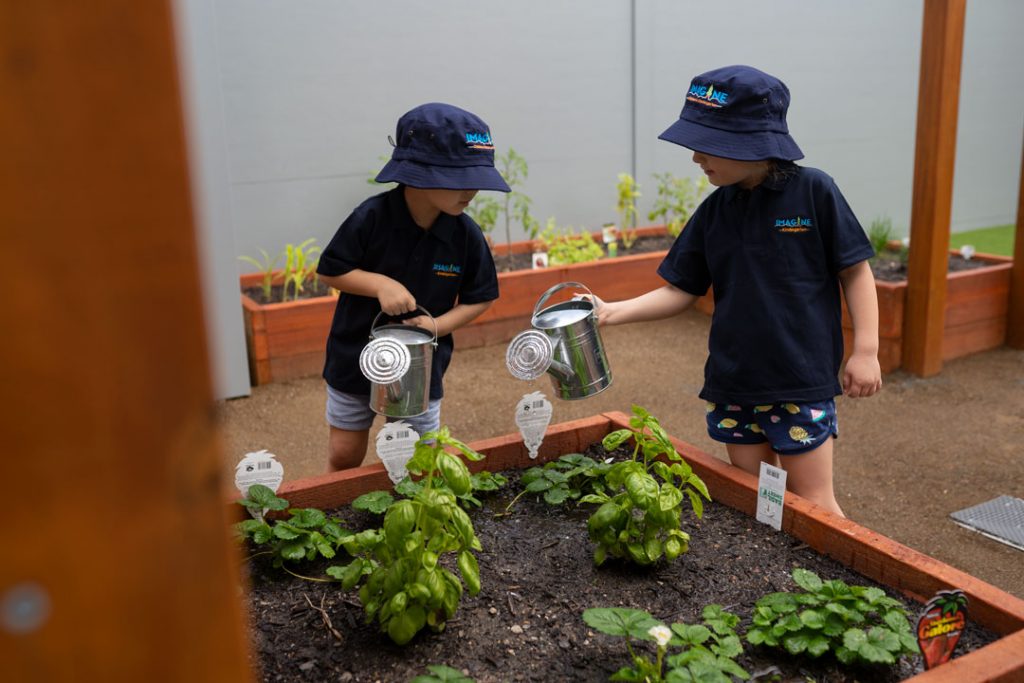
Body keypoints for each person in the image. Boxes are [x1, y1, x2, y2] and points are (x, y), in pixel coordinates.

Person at [594, 65, 881, 517]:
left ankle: (846, 588)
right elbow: (680, 290)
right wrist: (610, 312)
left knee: (814, 505)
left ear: (753, 143)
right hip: (734, 386)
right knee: (756, 502)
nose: (695, 158)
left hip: (799, 383)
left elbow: (855, 272)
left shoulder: (814, 192)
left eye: (706, 146)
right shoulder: (714, 211)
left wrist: (866, 350)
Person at [316, 102, 510, 472]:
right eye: (459, 178)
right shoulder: (371, 218)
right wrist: (379, 284)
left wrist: (439, 325)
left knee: (418, 456)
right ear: (417, 174)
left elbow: (480, 298)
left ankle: (409, 512)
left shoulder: (465, 235)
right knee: (344, 453)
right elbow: (330, 271)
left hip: (421, 368)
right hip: (355, 355)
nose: (471, 190)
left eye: (476, 179)